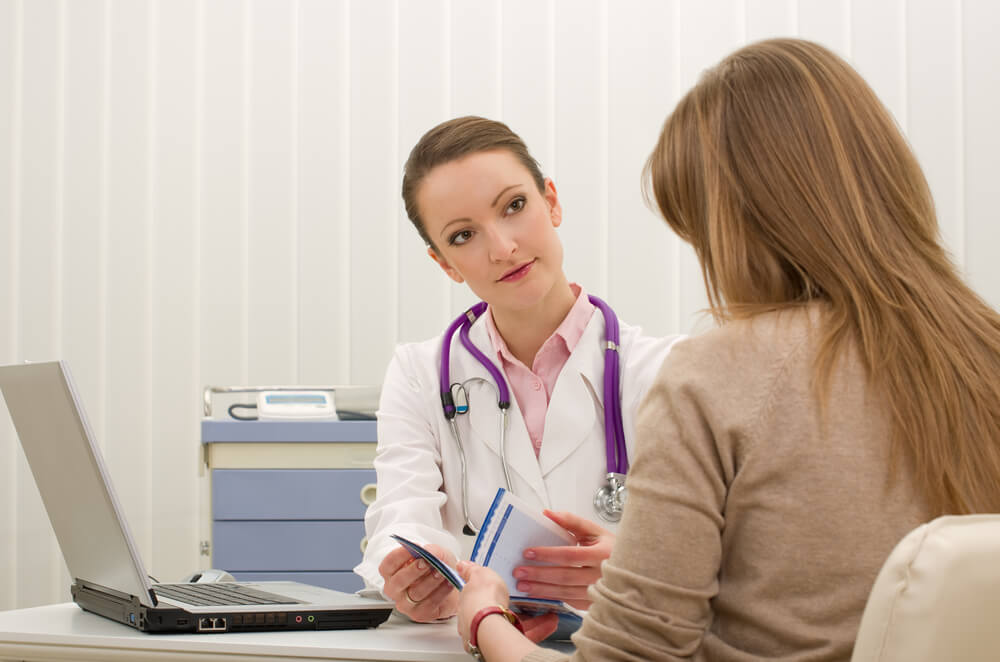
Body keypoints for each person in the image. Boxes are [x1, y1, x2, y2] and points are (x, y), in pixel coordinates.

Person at [455, 38, 1000, 661]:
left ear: (734, 223)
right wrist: (641, 573)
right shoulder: (985, 352)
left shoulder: (715, 377)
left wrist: (485, 617)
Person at [353, 116, 683, 624]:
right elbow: (400, 518)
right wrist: (410, 576)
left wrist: (635, 570)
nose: (502, 247)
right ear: (445, 263)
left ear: (551, 201)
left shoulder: (663, 370)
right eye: (463, 235)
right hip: (472, 646)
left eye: (514, 206)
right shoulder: (419, 375)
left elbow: (721, 555)